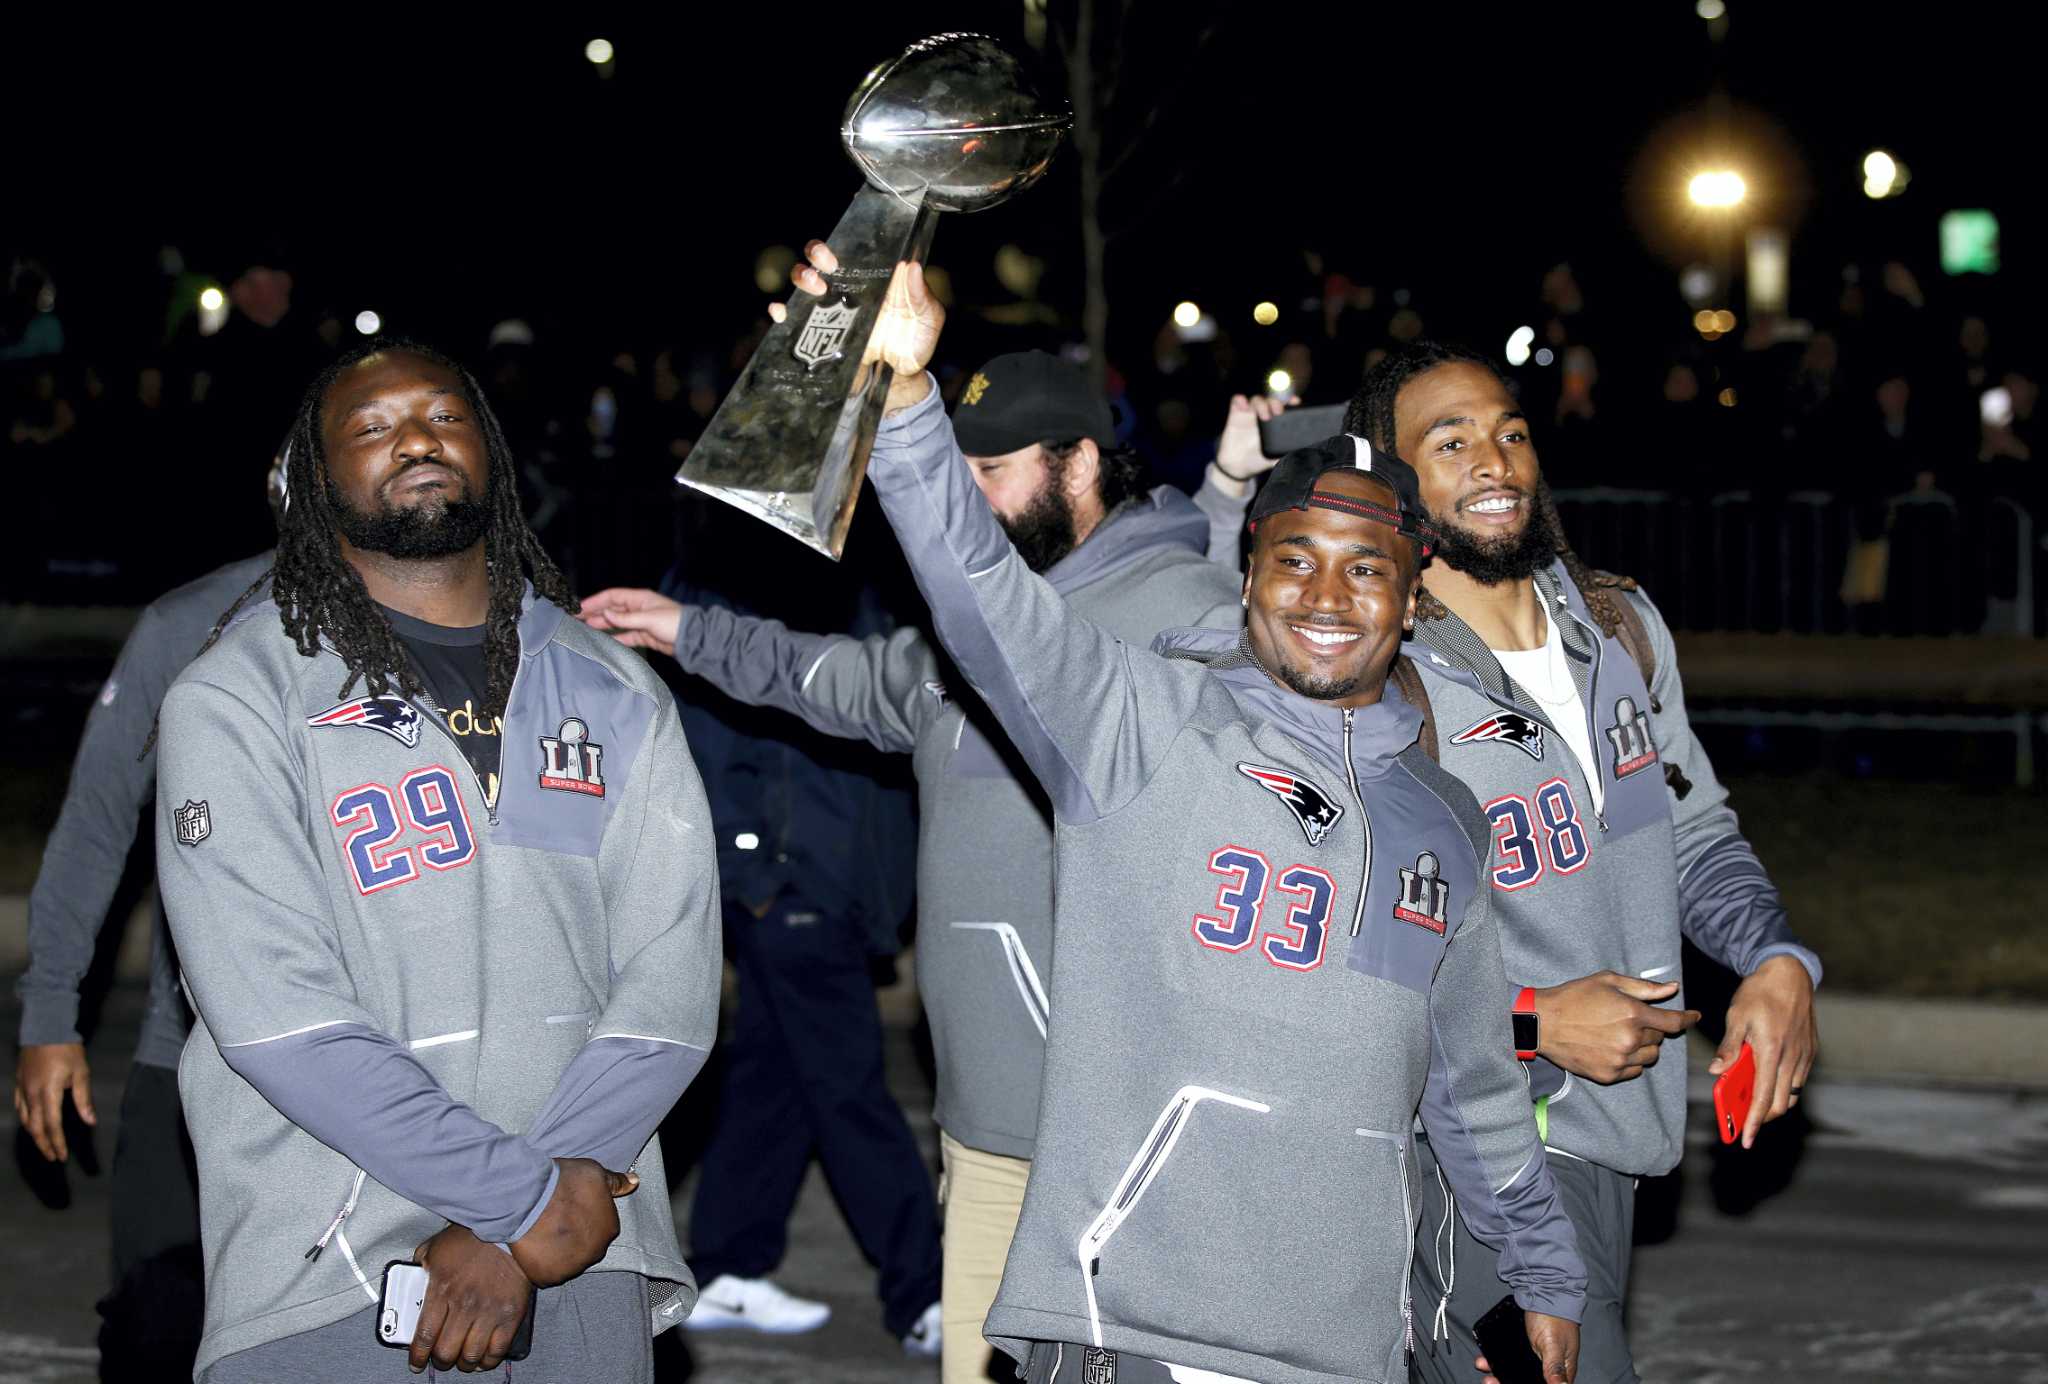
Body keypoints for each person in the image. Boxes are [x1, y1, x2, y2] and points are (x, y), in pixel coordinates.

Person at [779, 243, 1587, 1384]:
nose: (1323, 594)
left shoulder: (1441, 818)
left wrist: (1542, 1276)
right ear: (1245, 572)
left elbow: (1471, 1088)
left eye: (1365, 570)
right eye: (1294, 558)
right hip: (1121, 1332)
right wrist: (905, 395)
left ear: (1410, 602)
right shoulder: (1141, 723)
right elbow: (980, 594)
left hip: (1336, 1349)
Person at [580, 348, 1244, 1384]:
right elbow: (838, 679)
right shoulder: (977, 629)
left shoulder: (1184, 607)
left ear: (1078, 463)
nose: (967, 504)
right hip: (979, 1132)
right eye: (956, 474)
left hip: (1117, 1134)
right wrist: (685, 630)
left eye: (991, 473)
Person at [151, 339, 722, 1382]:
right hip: (337, 1262)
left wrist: (542, 1209)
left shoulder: (604, 686)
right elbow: (279, 1015)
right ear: (315, 486)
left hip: (583, 1244)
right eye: (370, 427)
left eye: (443, 416)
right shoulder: (238, 700)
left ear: (493, 456)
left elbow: (669, 978)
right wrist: (517, 1199)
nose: (415, 437)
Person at [1342, 342, 1821, 1384]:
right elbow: (1339, 952)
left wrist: (1774, 959)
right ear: (1387, 477)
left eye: (1509, 432)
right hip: (1475, 1156)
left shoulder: (1616, 629)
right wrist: (1528, 1018)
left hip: (1615, 1140)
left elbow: (1690, 837)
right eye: (1450, 440)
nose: (1493, 459)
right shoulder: (1377, 677)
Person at [658, 527, 943, 1356]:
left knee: (776, 1079)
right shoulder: (723, 582)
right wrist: (753, 869)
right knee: (850, 1088)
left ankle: (726, 1269)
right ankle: (922, 1291)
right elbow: (712, 743)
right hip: (788, 881)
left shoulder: (843, 580)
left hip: (835, 878)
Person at [14, 536, 272, 1379]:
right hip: (190, 1048)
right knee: (155, 1330)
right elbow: (96, 821)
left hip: (387, 1058)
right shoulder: (192, 620)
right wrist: (51, 1013)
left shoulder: (446, 615)